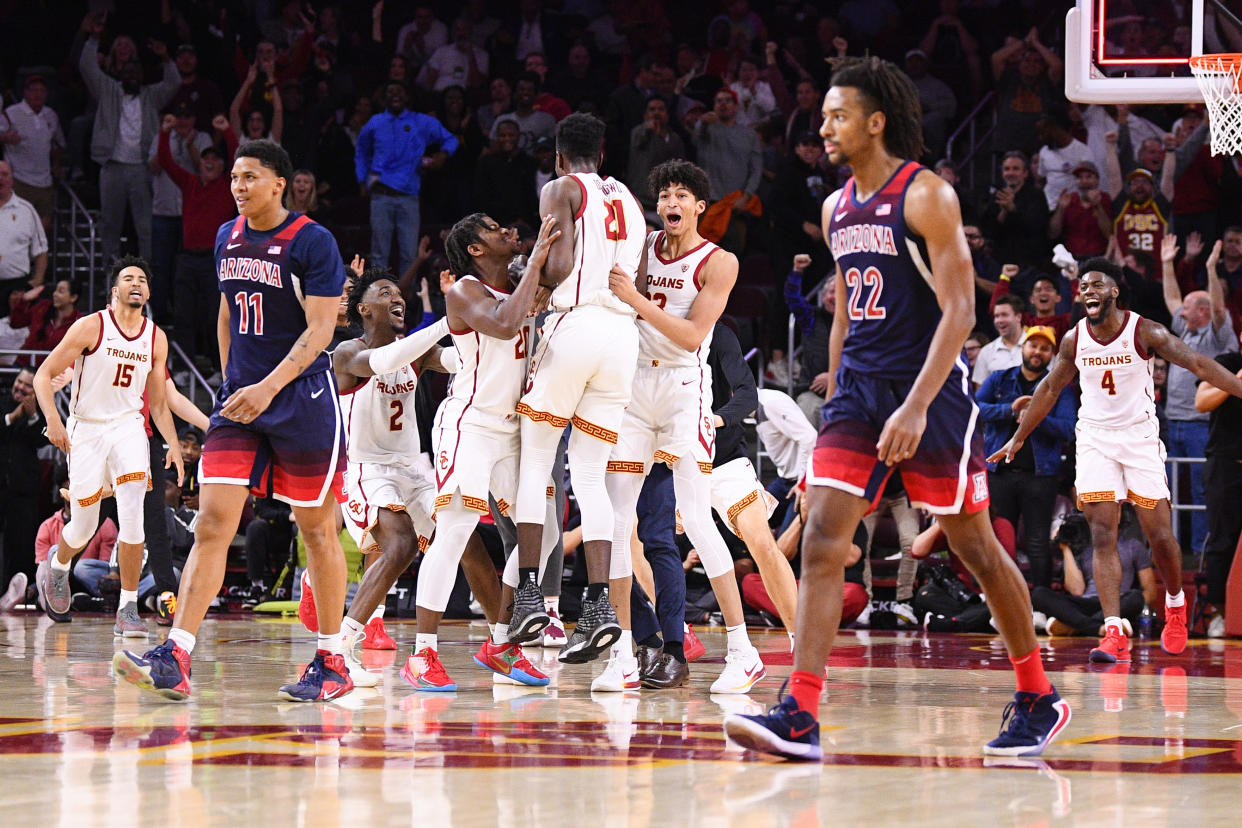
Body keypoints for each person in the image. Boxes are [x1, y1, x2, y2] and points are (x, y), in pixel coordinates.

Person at [725, 56, 1069, 761]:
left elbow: (961, 309)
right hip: (859, 390)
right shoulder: (835, 208)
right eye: (823, 115)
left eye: (837, 115)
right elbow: (850, 305)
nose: (824, 127)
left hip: (932, 393)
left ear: (875, 121)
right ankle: (801, 711)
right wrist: (837, 381)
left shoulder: (926, 195)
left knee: (974, 547)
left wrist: (913, 407)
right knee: (821, 535)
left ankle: (1039, 693)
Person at [113, 140, 352, 703]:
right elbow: (225, 313)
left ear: (279, 184)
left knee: (316, 529)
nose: (238, 186)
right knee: (214, 523)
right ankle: (177, 652)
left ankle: (332, 658)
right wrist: (231, 383)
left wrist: (267, 387)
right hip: (241, 405)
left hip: (300, 400)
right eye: (234, 179)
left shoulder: (312, 241)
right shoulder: (226, 236)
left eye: (250, 177)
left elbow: (321, 331)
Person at [991, 257, 1242, 666]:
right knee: (1102, 534)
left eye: (1096, 285)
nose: (1088, 291)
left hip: (1139, 439)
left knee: (1158, 535)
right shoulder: (1073, 340)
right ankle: (1113, 632)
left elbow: (1199, 364)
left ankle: (1175, 605)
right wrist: (1018, 438)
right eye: (1083, 286)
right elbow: (1050, 388)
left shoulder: (1145, 331)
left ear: (1114, 291)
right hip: (1094, 438)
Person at [602, 160, 765, 694]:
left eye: (682, 195)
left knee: (696, 520)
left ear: (698, 206)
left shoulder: (720, 262)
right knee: (616, 524)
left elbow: (694, 336)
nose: (672, 202)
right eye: (665, 193)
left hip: (682, 393)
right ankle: (623, 652)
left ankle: (741, 650)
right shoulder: (645, 247)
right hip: (632, 393)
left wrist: (635, 300)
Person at [402, 213, 562, 691]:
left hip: (514, 430)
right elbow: (503, 323)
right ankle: (422, 654)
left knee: (547, 532)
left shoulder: (518, 285)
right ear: (474, 249)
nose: (509, 231)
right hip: (469, 426)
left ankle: (500, 641)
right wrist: (533, 265)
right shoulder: (465, 291)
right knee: (455, 532)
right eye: (495, 229)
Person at [512, 113, 645, 664]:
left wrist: (531, 268)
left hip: (576, 327)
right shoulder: (632, 202)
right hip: (622, 337)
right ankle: (598, 608)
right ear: (604, 151)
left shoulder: (559, 188)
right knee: (590, 476)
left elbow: (561, 265)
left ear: (559, 157)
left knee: (537, 464)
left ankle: (529, 598)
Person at [32, 256, 184, 637]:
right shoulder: (91, 326)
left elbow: (159, 402)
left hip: (129, 427)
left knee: (133, 512)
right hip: (87, 429)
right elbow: (43, 376)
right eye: (128, 278)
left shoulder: (156, 337)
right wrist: (52, 420)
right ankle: (59, 567)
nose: (137, 283)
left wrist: (174, 444)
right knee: (84, 525)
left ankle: (128, 608)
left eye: (143, 279)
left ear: (148, 292)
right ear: (115, 291)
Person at [327, 266, 459, 685]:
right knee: (400, 545)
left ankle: (501, 644)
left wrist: (488, 328)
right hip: (367, 468)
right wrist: (448, 317)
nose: (398, 298)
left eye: (400, 293)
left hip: (413, 469)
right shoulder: (347, 353)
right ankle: (339, 648)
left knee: (463, 538)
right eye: (386, 293)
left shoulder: (415, 352)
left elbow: (457, 359)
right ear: (364, 309)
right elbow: (385, 361)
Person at [976, 325, 1076, 588]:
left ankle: (1041, 603)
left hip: (1039, 477)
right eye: (1033, 346)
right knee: (999, 540)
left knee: (1037, 541)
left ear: (1052, 355)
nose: (1037, 352)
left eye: (1045, 348)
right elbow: (974, 410)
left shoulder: (1061, 388)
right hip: (1000, 473)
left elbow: (1068, 428)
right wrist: (1010, 410)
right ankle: (999, 600)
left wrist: (1034, 416)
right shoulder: (998, 379)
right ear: (1023, 348)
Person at [78, 19, 181, 267]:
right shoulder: (108, 90)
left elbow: (174, 83)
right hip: (112, 166)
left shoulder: (151, 96)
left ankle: (147, 277)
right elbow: (87, 67)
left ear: (142, 76)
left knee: (145, 226)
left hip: (142, 168)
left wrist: (166, 57)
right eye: (127, 73)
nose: (131, 76)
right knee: (110, 224)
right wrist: (93, 39)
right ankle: (106, 274)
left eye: (136, 73)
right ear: (120, 75)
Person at [1161, 235, 1236, 556]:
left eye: (1188, 307)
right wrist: (1166, 263)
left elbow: (1218, 306)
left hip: (1200, 423)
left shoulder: (1218, 333)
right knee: (1169, 491)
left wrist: (1210, 269)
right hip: (1172, 420)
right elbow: (1172, 299)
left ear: (1201, 311)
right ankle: (1174, 547)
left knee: (1202, 492)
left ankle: (1200, 551)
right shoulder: (1185, 329)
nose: (1180, 310)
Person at [355, 83, 457, 276]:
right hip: (381, 194)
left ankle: (407, 299)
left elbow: (450, 139)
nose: (395, 94)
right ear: (384, 97)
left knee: (409, 253)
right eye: (390, 91)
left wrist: (441, 156)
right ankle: (379, 297)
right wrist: (362, 179)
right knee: (379, 253)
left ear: (407, 96)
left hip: (408, 195)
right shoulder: (375, 122)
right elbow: (361, 152)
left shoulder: (421, 122)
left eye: (399, 91)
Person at [1194, 305, 1242, 637]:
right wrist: (1235, 382)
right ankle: (1219, 613)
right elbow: (1201, 402)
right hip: (1226, 466)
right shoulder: (1228, 363)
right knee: (1222, 540)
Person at [1033, 512, 1156, 637]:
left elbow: (1150, 592)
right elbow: (1077, 590)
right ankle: (1098, 628)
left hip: (1117, 601)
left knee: (1136, 597)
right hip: (1087, 602)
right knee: (1039, 594)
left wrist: (1131, 603)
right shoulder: (1081, 544)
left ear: (1119, 516)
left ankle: (1075, 626)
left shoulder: (1132, 546)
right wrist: (1065, 548)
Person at [1, 75, 64, 227]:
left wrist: (57, 164)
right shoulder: (11, 113)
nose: (37, 94)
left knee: (42, 232)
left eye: (42, 90)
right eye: (33, 90)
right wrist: (6, 137)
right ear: (25, 92)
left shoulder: (51, 115)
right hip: (19, 181)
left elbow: (58, 144)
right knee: (16, 230)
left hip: (45, 182)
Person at [0, 160, 47, 307]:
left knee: (16, 330)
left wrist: (37, 281)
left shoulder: (26, 210)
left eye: (4, 174)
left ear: (12, 179)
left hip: (16, 287)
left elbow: (41, 250)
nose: (0, 179)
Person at [971, 295, 1023, 386]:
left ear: (1018, 317)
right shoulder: (986, 352)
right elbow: (980, 393)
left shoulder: (1037, 347)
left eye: (1004, 315)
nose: (999, 320)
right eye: (996, 316)